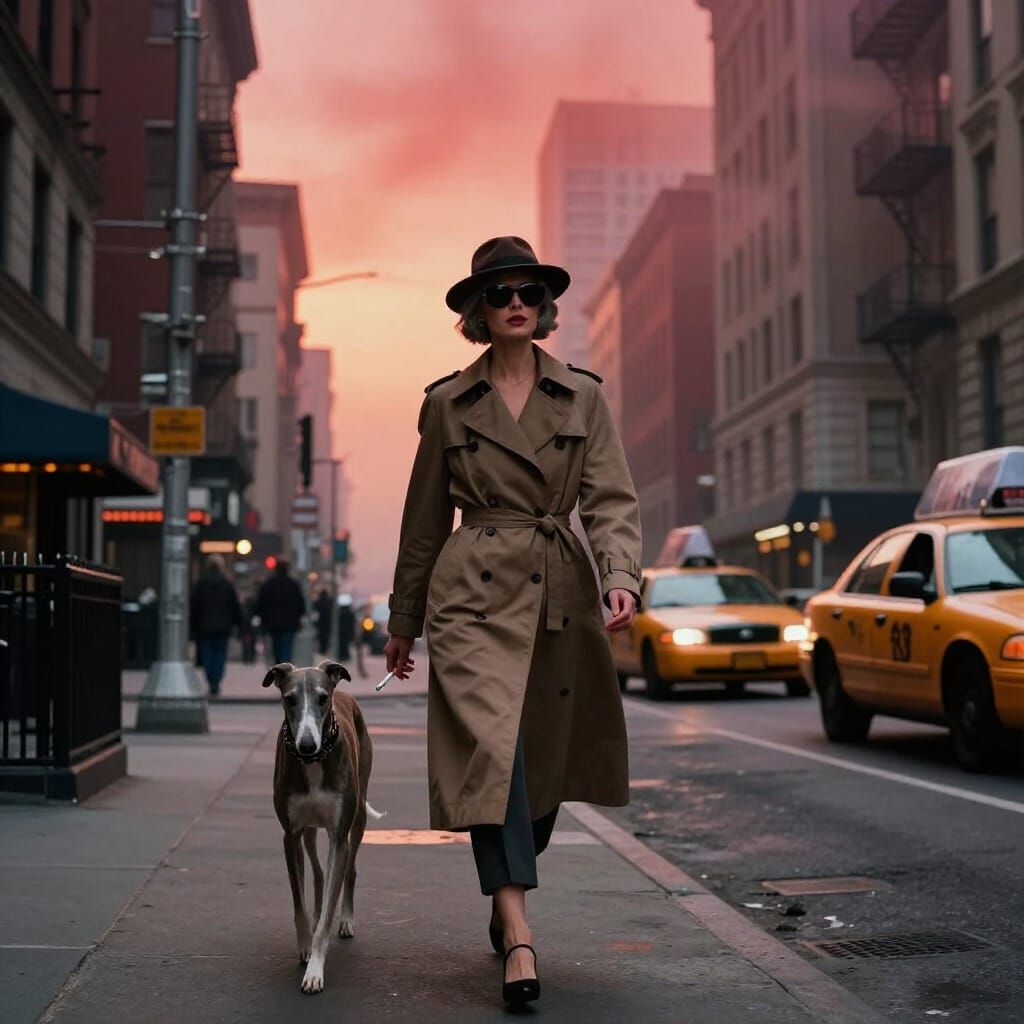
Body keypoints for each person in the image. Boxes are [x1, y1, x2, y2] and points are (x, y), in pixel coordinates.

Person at [384, 236, 641, 1007]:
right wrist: (405, 620)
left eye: (529, 291)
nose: (517, 303)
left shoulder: (582, 396)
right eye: (499, 293)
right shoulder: (446, 404)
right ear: (477, 311)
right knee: (488, 758)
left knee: (543, 767)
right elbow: (424, 522)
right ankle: (519, 930)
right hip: (472, 597)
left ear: (545, 305)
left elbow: (612, 499)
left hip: (558, 585)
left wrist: (621, 576)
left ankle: (508, 892)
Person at [190, 555, 242, 697]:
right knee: (220, 654)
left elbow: (194, 606)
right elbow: (234, 606)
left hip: (204, 626)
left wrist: (193, 625)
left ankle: (210, 679)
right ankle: (216, 681)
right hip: (223, 627)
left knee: (207, 654)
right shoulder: (227, 584)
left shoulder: (201, 584)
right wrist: (238, 624)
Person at [254, 560, 306, 665]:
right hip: (290, 623)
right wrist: (299, 617)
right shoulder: (293, 585)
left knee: (276, 647)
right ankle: (286, 668)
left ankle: (279, 667)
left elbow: (261, 604)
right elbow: (300, 604)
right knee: (287, 648)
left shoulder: (268, 584)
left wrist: (262, 619)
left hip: (273, 623)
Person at [313, 587, 333, 656]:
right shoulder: (330, 602)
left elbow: (314, 609)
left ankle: (322, 650)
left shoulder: (318, 602)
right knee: (326, 637)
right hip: (328, 622)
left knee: (321, 637)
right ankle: (324, 650)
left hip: (320, 623)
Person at [336, 593, 356, 662]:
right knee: (345, 644)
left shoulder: (339, 612)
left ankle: (343, 656)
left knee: (343, 644)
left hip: (341, 631)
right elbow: (352, 623)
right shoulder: (350, 612)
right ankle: (345, 656)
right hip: (347, 631)